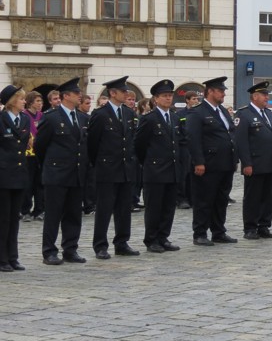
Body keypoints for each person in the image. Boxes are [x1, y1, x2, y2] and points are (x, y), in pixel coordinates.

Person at [35, 77, 90, 265]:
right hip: (56, 174)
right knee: (53, 215)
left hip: (76, 174)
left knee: (74, 214)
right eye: (76, 93)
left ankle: (70, 249)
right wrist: (51, 166)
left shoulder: (82, 117)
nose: (79, 96)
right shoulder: (51, 118)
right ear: (65, 96)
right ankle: (49, 251)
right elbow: (40, 147)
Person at [87, 76, 140, 259]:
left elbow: (131, 140)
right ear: (112, 93)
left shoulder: (128, 113)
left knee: (124, 208)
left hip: (125, 168)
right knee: (104, 209)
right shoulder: (100, 115)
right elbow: (92, 144)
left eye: (126, 91)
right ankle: (100, 245)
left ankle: (122, 242)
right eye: (123, 91)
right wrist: (99, 164)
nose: (126, 94)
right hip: (107, 169)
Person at [186, 76, 238, 245]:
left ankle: (218, 231)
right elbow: (193, 139)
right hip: (208, 164)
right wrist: (198, 162)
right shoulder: (197, 112)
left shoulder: (222, 111)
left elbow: (230, 133)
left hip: (225, 163)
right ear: (210, 91)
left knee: (221, 199)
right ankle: (200, 233)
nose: (223, 93)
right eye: (220, 90)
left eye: (223, 91)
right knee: (204, 200)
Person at [134, 80, 181, 253]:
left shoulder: (174, 117)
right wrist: (148, 162)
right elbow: (139, 145)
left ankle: (163, 237)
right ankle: (151, 239)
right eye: (164, 96)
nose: (168, 99)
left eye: (170, 95)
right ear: (156, 99)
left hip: (172, 169)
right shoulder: (149, 119)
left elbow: (178, 142)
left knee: (168, 207)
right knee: (154, 207)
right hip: (155, 170)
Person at [233, 81, 272, 240]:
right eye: (264, 94)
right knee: (253, 197)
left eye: (267, 94)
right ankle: (250, 227)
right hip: (254, 164)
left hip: (270, 163)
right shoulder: (244, 114)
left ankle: (264, 226)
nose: (267, 97)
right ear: (254, 96)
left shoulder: (268, 113)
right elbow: (241, 141)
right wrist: (246, 163)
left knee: (268, 197)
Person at [0, 86, 30, 271]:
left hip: (19, 174)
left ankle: (13, 256)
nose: (24, 102)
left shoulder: (24, 119)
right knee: (3, 218)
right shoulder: (1, 119)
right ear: (12, 101)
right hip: (3, 174)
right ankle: (2, 258)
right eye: (21, 99)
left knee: (14, 218)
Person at [20, 91, 44, 222]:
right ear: (30, 102)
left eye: (41, 101)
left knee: (39, 183)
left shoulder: (42, 116)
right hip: (28, 153)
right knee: (28, 183)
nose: (40, 104)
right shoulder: (24, 115)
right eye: (37, 101)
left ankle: (39, 210)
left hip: (39, 153)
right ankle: (25, 210)